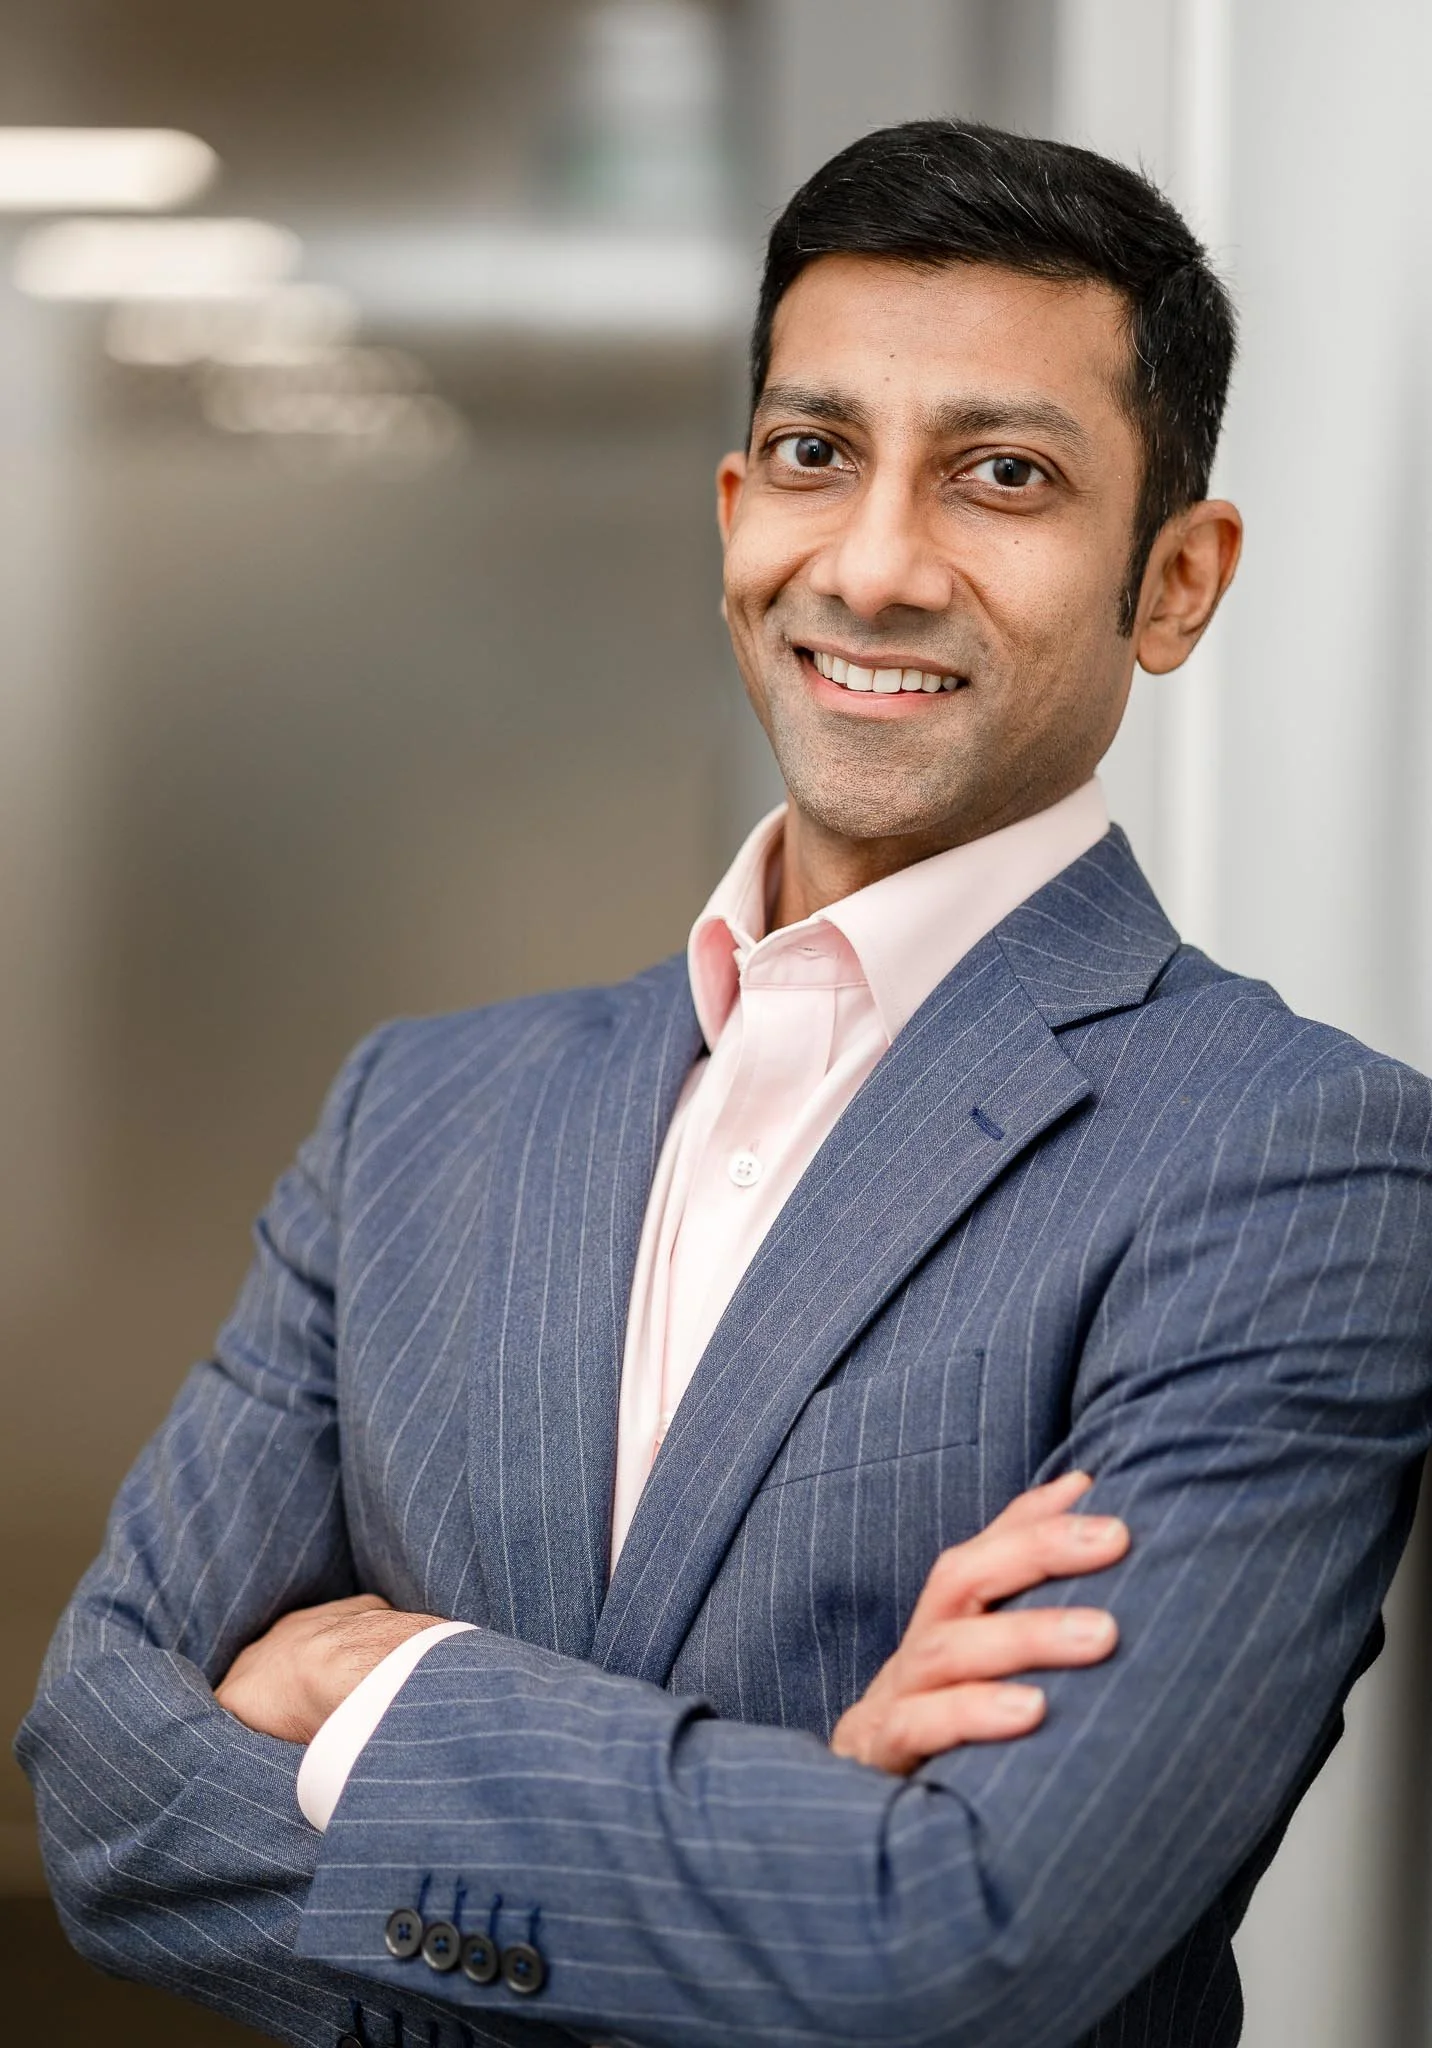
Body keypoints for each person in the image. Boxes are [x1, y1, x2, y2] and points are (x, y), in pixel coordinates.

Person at [19, 118, 1432, 2048]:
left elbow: (973, 1943)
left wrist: (397, 1697)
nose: (871, 562)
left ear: (1174, 583)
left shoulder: (1294, 1162)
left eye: (1001, 476)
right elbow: (103, 1797)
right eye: (812, 453)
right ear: (730, 509)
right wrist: (806, 1806)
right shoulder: (420, 1112)